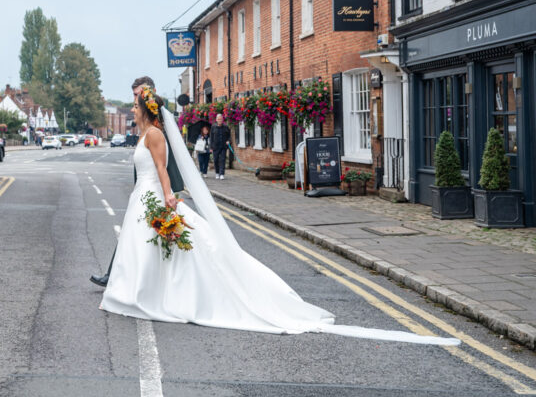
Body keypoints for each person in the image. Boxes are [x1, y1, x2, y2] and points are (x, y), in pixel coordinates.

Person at [98, 84, 459, 345]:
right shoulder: (144, 132)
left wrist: (168, 198)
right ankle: (135, 293)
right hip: (140, 199)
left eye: (134, 105)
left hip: (154, 196)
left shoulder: (156, 136)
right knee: (146, 248)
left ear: (146, 108)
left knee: (180, 246)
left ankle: (150, 296)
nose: (131, 109)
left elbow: (162, 169)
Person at [89, 75, 183, 288]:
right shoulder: (146, 127)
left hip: (157, 185)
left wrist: (168, 193)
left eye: (137, 96)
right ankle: (122, 277)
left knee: (143, 233)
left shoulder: (157, 124)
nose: (134, 102)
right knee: (135, 233)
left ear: (149, 95)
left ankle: (128, 279)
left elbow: (162, 165)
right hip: (145, 185)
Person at [209, 113, 230, 180]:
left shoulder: (226, 127)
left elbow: (229, 136)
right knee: (215, 160)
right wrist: (211, 147)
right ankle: (217, 173)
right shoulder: (213, 127)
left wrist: (228, 141)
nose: (220, 120)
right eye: (218, 119)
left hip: (223, 146)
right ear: (216, 120)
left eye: (221, 119)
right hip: (215, 146)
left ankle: (222, 174)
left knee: (222, 160)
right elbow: (211, 137)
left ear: (222, 119)